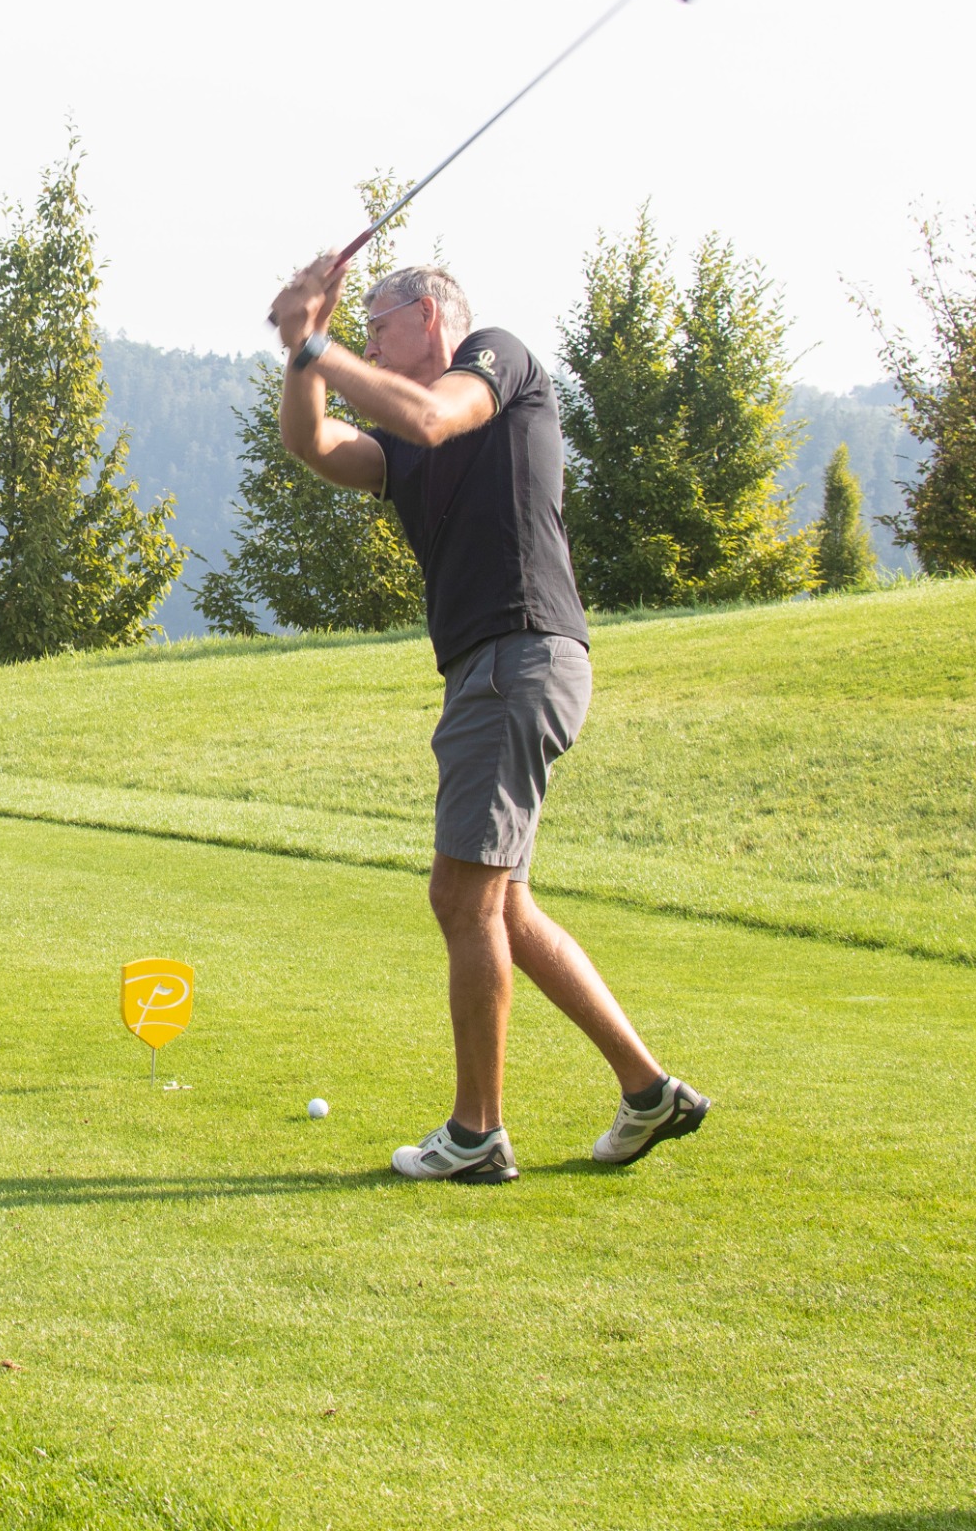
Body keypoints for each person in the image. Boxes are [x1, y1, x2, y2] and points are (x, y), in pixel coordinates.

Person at [269, 256, 709, 1183]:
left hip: (516, 656)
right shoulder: (401, 445)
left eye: (378, 327)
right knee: (502, 902)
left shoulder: (496, 360)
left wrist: (316, 342)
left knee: (460, 899)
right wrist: (305, 349)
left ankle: (476, 1136)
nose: (368, 343)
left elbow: (434, 414)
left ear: (429, 318)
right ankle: (648, 1090)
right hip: (498, 665)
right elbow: (312, 444)